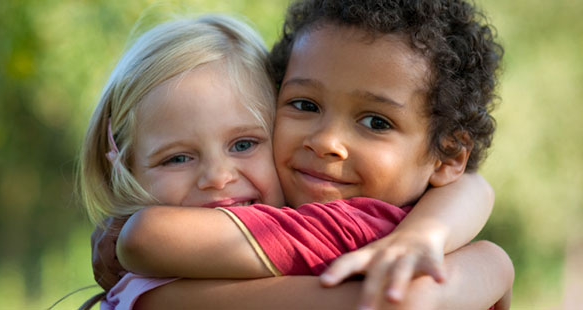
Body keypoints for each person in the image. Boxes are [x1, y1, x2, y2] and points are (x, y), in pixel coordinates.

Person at [83, 1, 513, 308]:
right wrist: (489, 263)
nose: (327, 141)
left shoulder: (389, 231)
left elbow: (472, 186)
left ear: (448, 155)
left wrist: (437, 241)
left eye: (376, 122)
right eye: (305, 105)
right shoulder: (357, 232)